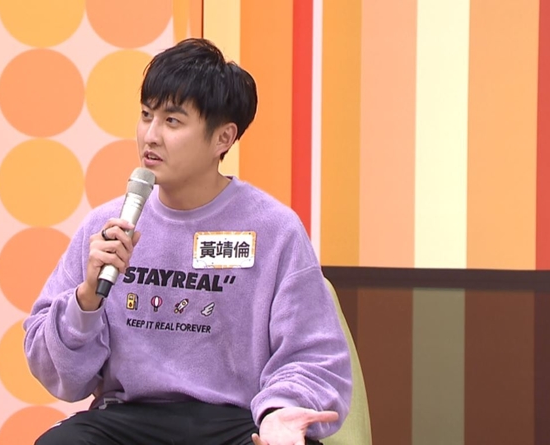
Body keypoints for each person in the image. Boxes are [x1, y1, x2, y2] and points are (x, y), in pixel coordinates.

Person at [24, 38, 352, 445]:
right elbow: (56, 372)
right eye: (146, 115)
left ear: (223, 138)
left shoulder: (274, 230)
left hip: (233, 421)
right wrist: (86, 299)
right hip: (127, 418)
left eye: (172, 121)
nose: (151, 136)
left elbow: (314, 355)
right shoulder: (107, 225)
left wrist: (281, 411)